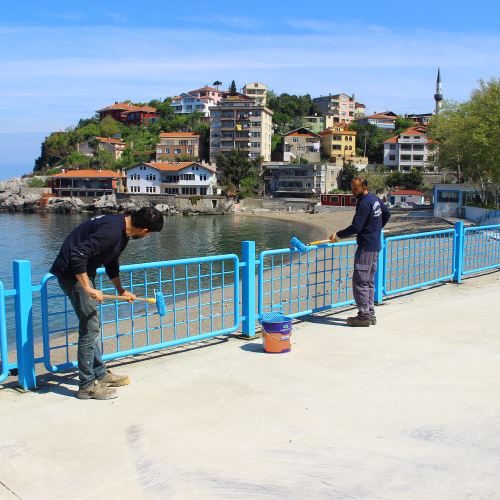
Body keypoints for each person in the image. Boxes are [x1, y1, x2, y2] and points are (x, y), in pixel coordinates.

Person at [50, 207, 164, 400]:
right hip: (73, 275)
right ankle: (86, 386)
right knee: (91, 327)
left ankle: (100, 374)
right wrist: (88, 287)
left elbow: (111, 262)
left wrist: (121, 290)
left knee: (91, 326)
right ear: (144, 230)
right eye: (150, 234)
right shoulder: (111, 231)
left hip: (82, 274)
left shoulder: (122, 230)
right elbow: (77, 255)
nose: (147, 236)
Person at [330, 177, 391, 327]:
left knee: (360, 282)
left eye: (355, 188)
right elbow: (387, 213)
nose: (352, 191)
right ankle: (370, 314)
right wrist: (376, 230)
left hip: (366, 248)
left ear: (364, 187)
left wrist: (338, 235)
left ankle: (363, 316)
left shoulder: (364, 203)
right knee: (368, 281)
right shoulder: (375, 199)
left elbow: (356, 227)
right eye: (352, 187)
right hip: (375, 245)